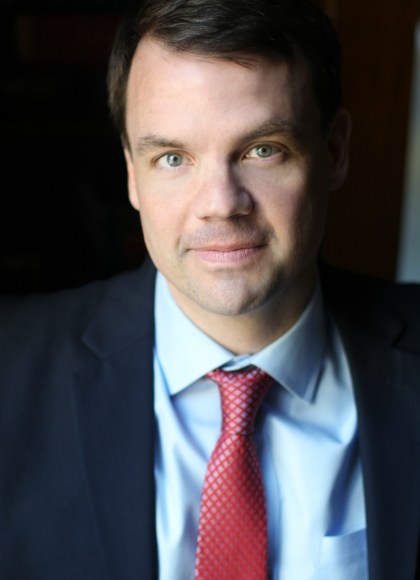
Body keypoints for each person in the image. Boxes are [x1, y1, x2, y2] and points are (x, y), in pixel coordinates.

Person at [0, 0, 419, 578]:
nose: (221, 204)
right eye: (173, 157)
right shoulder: (11, 369)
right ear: (132, 174)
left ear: (335, 150)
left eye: (263, 150)